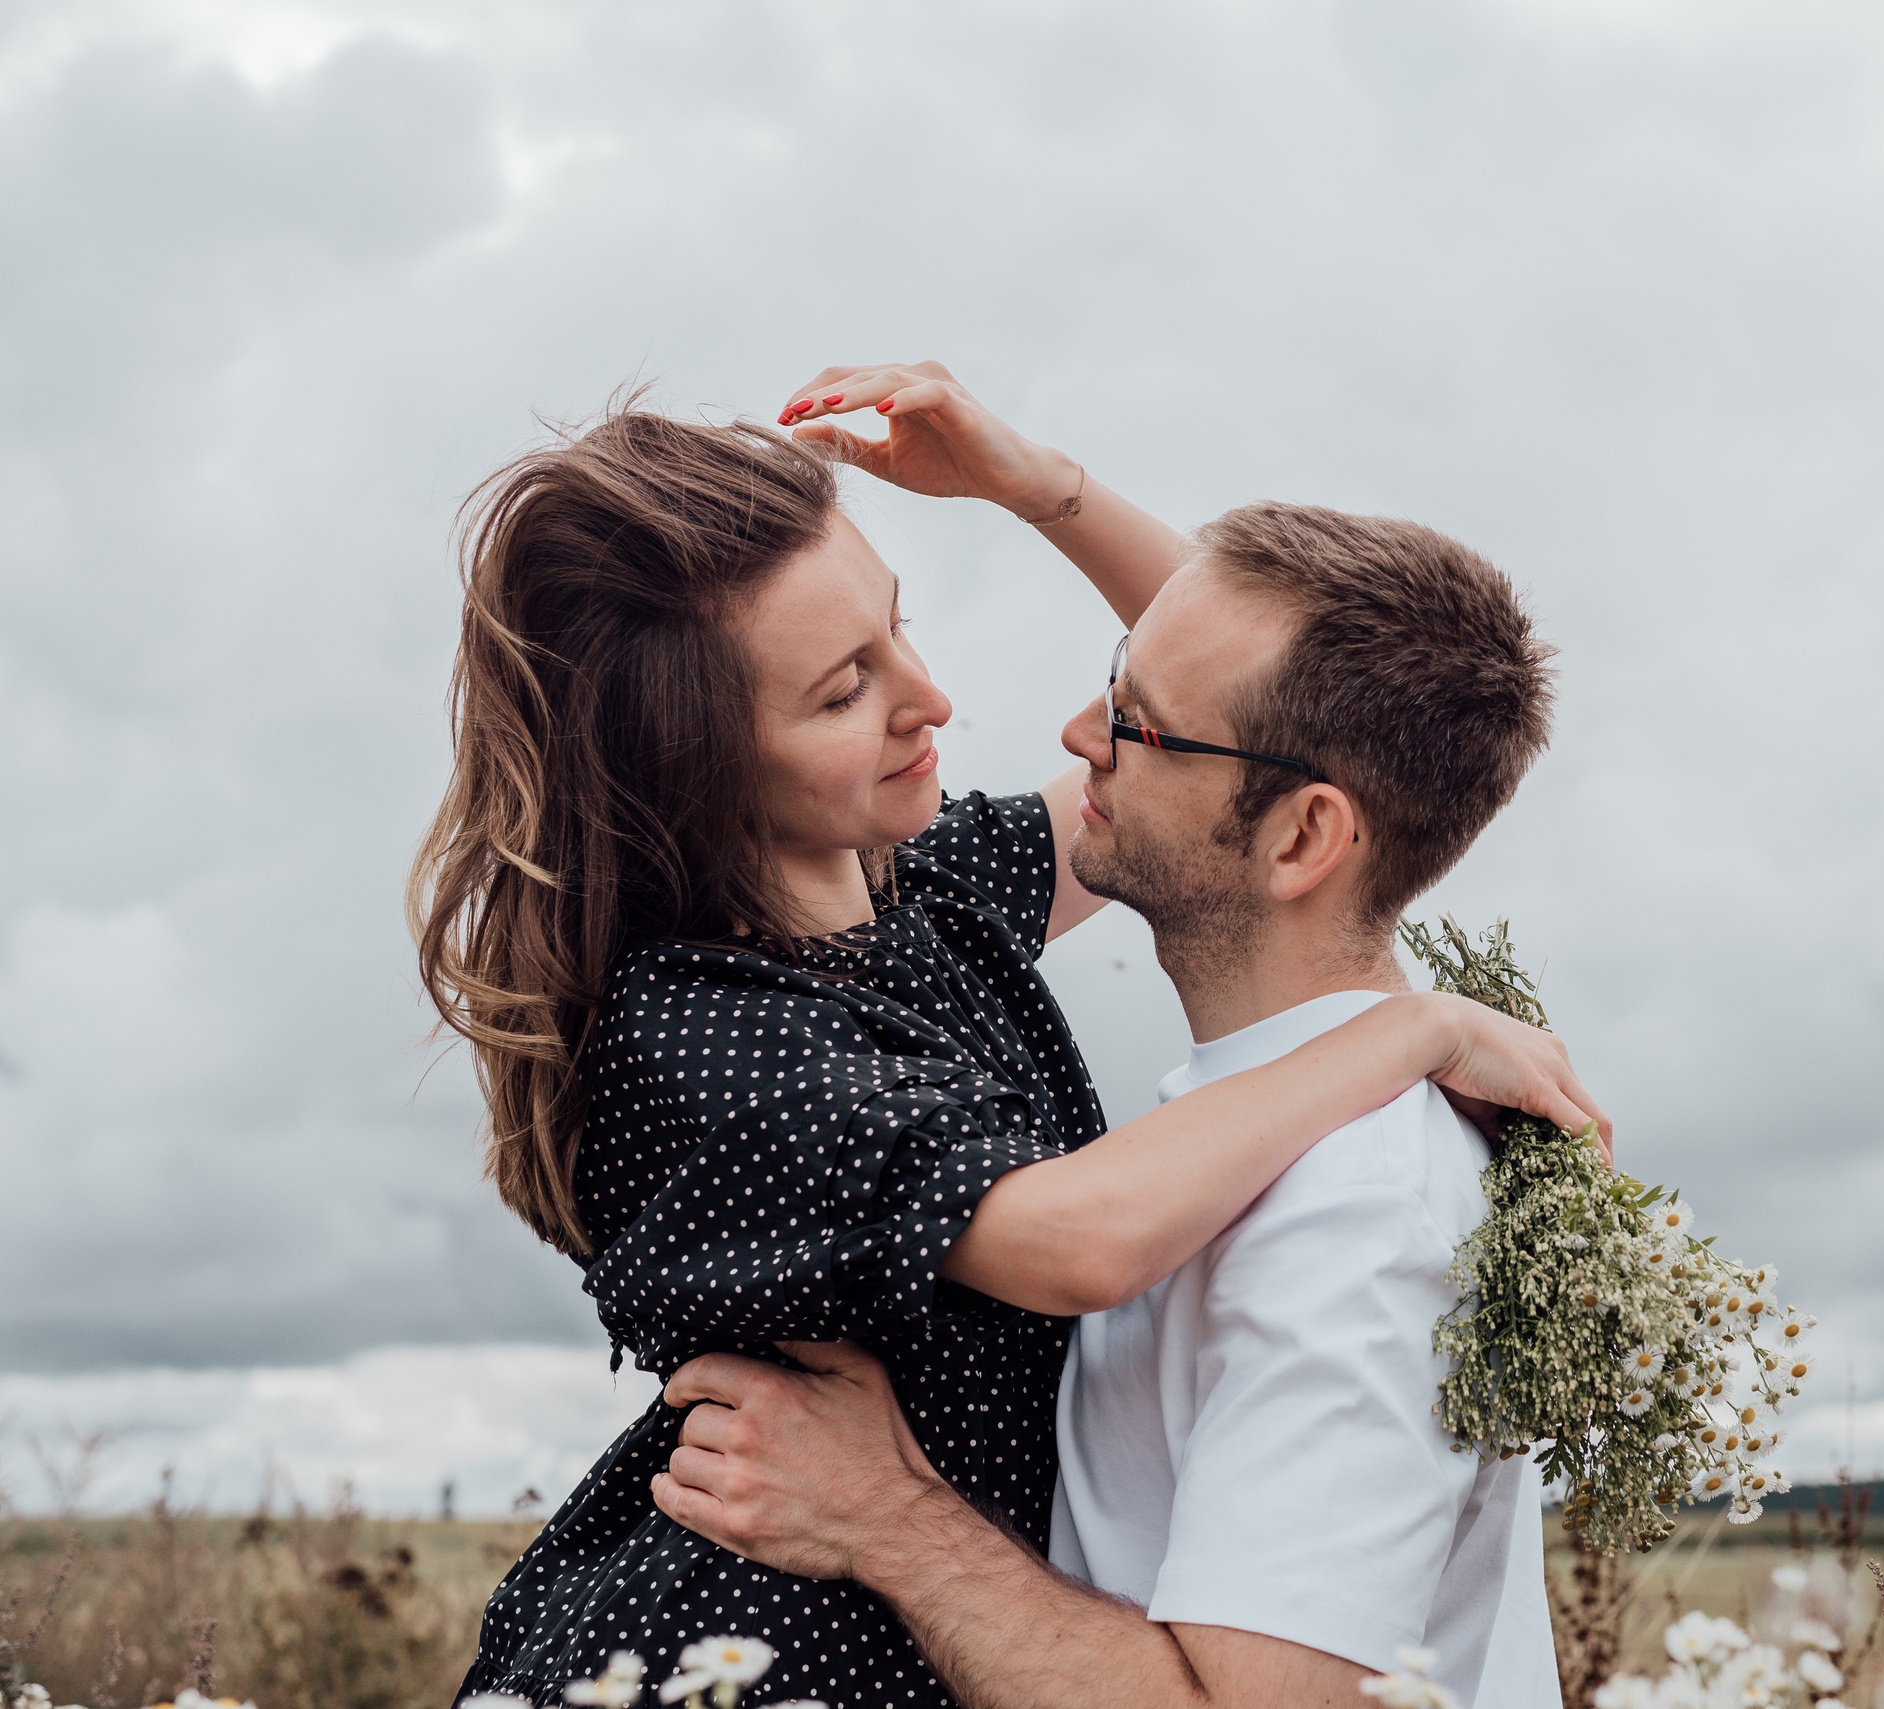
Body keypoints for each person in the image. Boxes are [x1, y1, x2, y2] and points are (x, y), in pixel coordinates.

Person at [410, 366, 1606, 1709]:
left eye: (898, 629)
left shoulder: (917, 890)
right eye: (844, 691)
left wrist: (1043, 490)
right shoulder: (712, 1035)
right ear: (698, 765)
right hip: (768, 1642)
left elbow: (1288, 712)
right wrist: (1410, 1030)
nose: (930, 698)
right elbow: (1079, 1240)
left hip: (944, 1623)